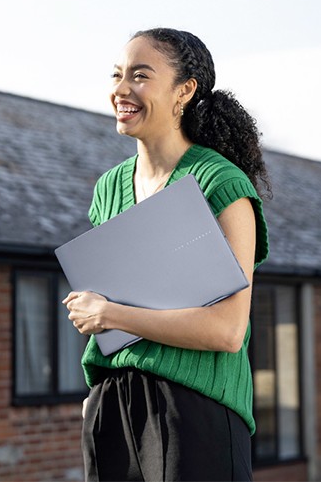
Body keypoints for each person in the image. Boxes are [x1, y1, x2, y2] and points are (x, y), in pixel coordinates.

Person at [63, 28, 270, 481]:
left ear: (184, 91)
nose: (121, 89)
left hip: (194, 408)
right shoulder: (109, 188)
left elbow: (228, 330)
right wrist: (97, 394)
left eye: (140, 75)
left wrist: (111, 313)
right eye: (117, 75)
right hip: (112, 404)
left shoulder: (222, 184)